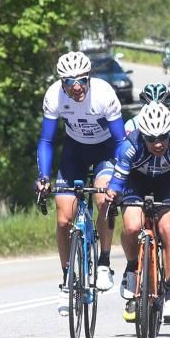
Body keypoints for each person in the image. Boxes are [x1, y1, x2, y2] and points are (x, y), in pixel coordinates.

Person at [35, 51, 126, 314]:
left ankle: (104, 262)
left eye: (82, 81)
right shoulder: (54, 95)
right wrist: (43, 176)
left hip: (105, 151)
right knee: (64, 219)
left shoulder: (104, 94)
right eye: (69, 82)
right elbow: (47, 140)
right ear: (61, 83)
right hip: (74, 152)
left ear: (89, 78)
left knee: (103, 200)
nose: (76, 88)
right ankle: (67, 281)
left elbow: (120, 141)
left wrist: (118, 181)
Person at [106, 103, 170, 323]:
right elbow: (117, 183)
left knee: (168, 228)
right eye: (151, 139)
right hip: (137, 183)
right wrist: (113, 193)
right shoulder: (129, 146)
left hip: (166, 183)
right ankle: (132, 266)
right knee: (132, 226)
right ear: (141, 135)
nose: (157, 144)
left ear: (169, 134)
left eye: (163, 138)